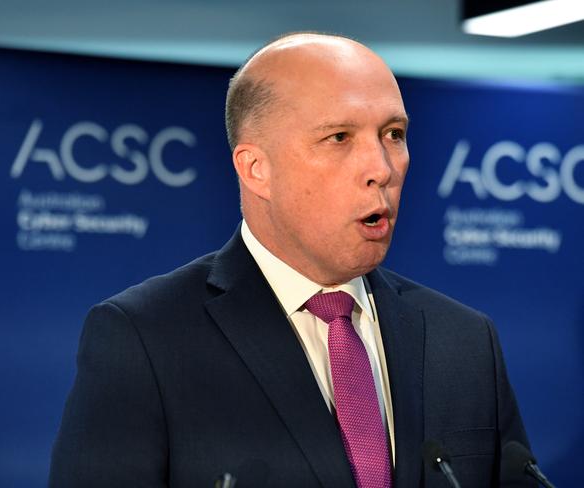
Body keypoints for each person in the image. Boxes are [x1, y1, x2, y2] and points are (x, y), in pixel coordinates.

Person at [49, 33, 535, 487]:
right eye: (340, 137)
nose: (381, 169)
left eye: (392, 134)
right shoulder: (144, 339)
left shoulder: (465, 342)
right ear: (255, 169)